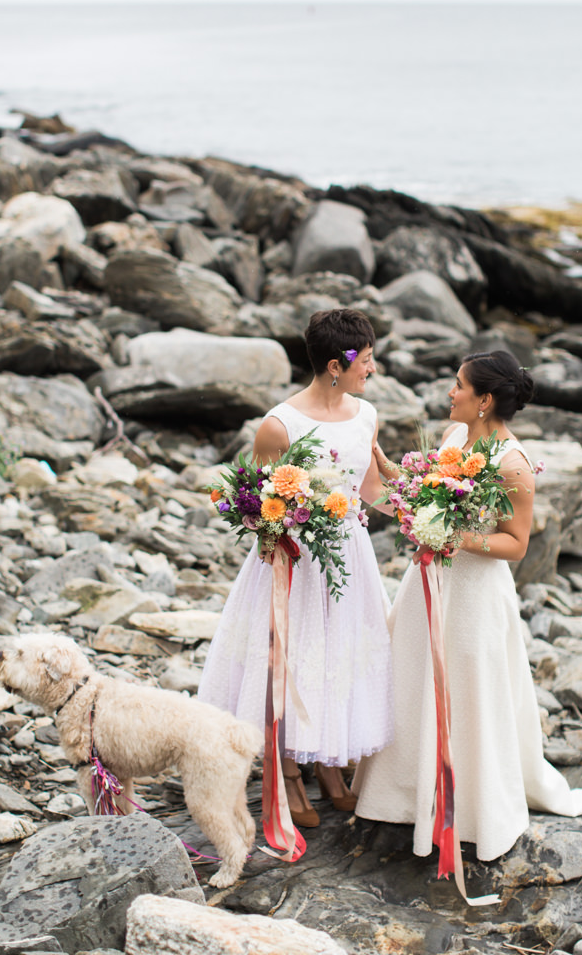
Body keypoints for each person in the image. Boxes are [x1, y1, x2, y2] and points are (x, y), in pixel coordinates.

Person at [353, 350, 582, 862]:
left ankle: (470, 806)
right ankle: (402, 793)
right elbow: (426, 497)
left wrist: (457, 537)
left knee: (468, 693)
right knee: (411, 676)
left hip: (474, 596)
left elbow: (516, 543)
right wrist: (386, 467)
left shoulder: (512, 463)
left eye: (458, 385)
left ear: (484, 400)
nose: (450, 393)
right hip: (427, 582)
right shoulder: (452, 438)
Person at [198, 308, 393, 827]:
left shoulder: (366, 415)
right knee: (295, 657)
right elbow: (258, 507)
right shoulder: (279, 425)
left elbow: (370, 490)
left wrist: (429, 512)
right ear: (336, 364)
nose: (371, 370)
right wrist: (281, 531)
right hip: (295, 562)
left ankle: (328, 765)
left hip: (348, 556)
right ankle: (285, 769)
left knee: (342, 655)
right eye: (366, 361)